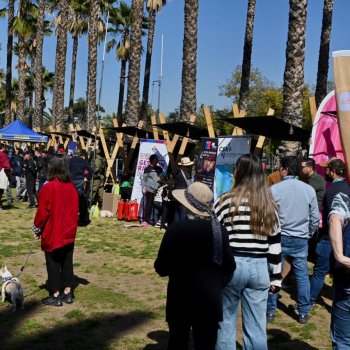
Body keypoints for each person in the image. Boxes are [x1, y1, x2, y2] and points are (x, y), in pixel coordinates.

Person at [154, 182, 236, 350]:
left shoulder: (176, 229)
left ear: (187, 205)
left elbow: (161, 267)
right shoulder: (219, 230)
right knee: (206, 345)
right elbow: (229, 266)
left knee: (177, 343)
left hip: (180, 298)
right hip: (210, 299)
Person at [214, 154, 282, 350]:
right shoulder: (269, 205)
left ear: (239, 172)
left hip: (231, 266)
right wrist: (276, 277)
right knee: (257, 326)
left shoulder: (224, 201)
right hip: (260, 267)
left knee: (225, 323)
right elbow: (275, 244)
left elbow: (216, 239)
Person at [267, 156, 319, 324]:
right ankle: (303, 312)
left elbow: (267, 216)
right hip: (300, 238)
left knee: (274, 273)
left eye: (281, 168)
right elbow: (314, 218)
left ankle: (270, 311)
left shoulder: (274, 190)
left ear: (286, 170)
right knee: (302, 275)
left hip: (279, 237)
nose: (280, 172)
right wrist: (308, 233)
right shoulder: (308, 190)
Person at [32, 156, 79, 307]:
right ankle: (68, 291)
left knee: (53, 263)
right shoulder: (71, 186)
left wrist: (37, 227)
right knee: (66, 261)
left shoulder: (49, 187)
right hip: (68, 231)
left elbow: (42, 213)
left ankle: (56, 294)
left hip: (54, 231)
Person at [310, 158, 350, 306]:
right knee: (338, 273)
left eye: (327, 169)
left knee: (319, 272)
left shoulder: (331, 191)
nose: (325, 171)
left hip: (328, 238)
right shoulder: (347, 187)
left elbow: (332, 218)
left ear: (332, 172)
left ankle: (307, 303)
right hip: (344, 239)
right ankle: (337, 301)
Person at [328, 190, 350, 349]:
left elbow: (335, 219)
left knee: (342, 341)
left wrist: (340, 256)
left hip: (347, 278)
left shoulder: (344, 196)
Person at [68, 149, 92, 226]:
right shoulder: (83, 161)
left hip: (71, 181)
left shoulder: (70, 161)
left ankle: (71, 218)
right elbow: (90, 170)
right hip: (80, 180)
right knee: (80, 199)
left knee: (71, 200)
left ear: (73, 153)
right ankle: (82, 219)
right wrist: (86, 177)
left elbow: (65, 170)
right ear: (80, 154)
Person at [142, 154, 164, 226]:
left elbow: (163, 177)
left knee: (157, 205)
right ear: (152, 160)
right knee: (149, 205)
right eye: (156, 159)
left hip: (158, 190)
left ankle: (156, 221)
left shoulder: (159, 169)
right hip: (150, 189)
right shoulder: (147, 169)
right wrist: (143, 187)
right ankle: (146, 221)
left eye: (157, 159)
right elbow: (144, 180)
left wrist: (161, 180)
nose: (157, 160)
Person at [172, 157, 194, 222]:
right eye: (188, 166)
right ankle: (181, 228)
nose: (189, 167)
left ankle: (175, 227)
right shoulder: (187, 174)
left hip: (175, 196)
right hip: (183, 196)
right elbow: (190, 186)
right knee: (182, 213)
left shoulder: (177, 173)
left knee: (176, 213)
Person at [0, 143, 11, 211]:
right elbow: (6, 165)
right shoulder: (3, 154)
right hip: (1, 173)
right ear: (2, 147)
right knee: (0, 191)